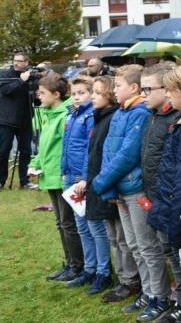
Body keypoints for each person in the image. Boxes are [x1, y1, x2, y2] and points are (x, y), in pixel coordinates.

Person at [89, 65, 158, 321]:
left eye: (118, 85)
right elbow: (109, 150)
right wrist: (108, 183)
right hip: (119, 187)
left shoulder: (139, 113)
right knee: (134, 245)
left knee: (146, 245)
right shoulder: (121, 111)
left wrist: (100, 182)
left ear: (134, 88)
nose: (114, 89)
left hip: (133, 187)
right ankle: (148, 291)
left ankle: (157, 295)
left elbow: (127, 155)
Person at [139, 62, 181, 322]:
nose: (144, 94)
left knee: (178, 256)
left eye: (149, 89)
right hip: (154, 196)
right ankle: (179, 300)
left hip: (170, 198)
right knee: (168, 252)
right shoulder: (153, 116)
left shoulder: (175, 119)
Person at [86, 76, 141, 302]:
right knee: (114, 236)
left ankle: (130, 280)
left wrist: (101, 182)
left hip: (114, 183)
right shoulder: (105, 117)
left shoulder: (116, 117)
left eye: (98, 93)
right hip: (106, 184)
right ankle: (123, 278)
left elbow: (122, 155)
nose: (92, 97)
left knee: (125, 239)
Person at [29, 74, 84, 282]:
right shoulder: (49, 114)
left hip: (62, 177)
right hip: (50, 176)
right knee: (61, 223)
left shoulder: (65, 116)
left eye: (42, 93)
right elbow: (45, 147)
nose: (38, 96)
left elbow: (69, 149)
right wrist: (35, 165)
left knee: (69, 223)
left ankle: (78, 265)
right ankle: (70, 262)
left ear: (56, 94)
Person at [61, 77, 103, 290]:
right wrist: (64, 170)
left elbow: (89, 149)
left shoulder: (89, 116)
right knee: (81, 227)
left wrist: (85, 176)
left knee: (91, 227)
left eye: (82, 93)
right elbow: (67, 146)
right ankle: (89, 267)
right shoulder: (72, 114)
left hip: (81, 178)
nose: (76, 97)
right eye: (74, 93)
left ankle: (99, 270)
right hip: (70, 176)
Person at [0, 51, 37, 189]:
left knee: (26, 151)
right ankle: (1, 180)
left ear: (26, 63)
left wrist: (35, 84)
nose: (16, 63)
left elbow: (36, 98)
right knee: (3, 151)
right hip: (6, 119)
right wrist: (21, 81)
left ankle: (25, 181)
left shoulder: (31, 76)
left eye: (20, 61)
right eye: (15, 60)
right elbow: (6, 91)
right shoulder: (4, 74)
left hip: (25, 119)